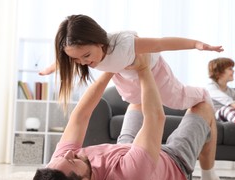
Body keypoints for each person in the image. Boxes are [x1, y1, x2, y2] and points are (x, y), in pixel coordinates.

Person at [30, 54, 223, 180]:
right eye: (71, 161)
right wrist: (144, 68)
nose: (69, 153)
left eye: (62, 157)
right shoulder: (130, 179)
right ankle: (209, 176)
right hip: (173, 162)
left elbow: (80, 116)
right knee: (204, 105)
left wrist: (110, 70)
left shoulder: (60, 165)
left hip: (126, 150)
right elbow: (155, 118)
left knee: (135, 102)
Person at [39, 14, 223, 111]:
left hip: (152, 69)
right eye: (76, 59)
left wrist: (196, 44)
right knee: (132, 98)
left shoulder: (126, 46)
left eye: (86, 56)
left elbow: (161, 43)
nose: (82, 62)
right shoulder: (79, 55)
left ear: (99, 43)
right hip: (124, 72)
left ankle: (202, 93)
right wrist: (50, 68)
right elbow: (66, 61)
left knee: (176, 100)